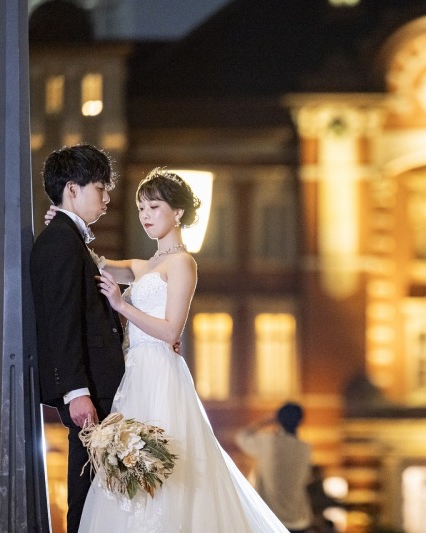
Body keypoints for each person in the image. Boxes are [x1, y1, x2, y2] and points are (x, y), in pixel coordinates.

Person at [49, 168, 288, 532]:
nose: (145, 216)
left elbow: (170, 330)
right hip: (133, 375)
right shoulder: (143, 266)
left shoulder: (183, 264)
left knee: (164, 471)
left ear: (177, 213)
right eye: (141, 208)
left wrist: (122, 305)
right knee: (128, 467)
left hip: (161, 373)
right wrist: (64, 222)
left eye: (154, 206)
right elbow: (94, 264)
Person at [30, 144, 126, 533]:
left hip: (97, 387)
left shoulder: (69, 239)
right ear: (73, 188)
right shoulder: (60, 242)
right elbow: (61, 321)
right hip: (89, 390)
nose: (106, 198)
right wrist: (75, 391)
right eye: (100, 188)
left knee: (99, 495)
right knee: (87, 496)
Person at [236, 403, 313, 533]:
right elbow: (307, 478)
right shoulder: (305, 449)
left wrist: (264, 421)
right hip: (299, 521)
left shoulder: (268, 442)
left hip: (269, 518)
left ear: (278, 420)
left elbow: (241, 437)